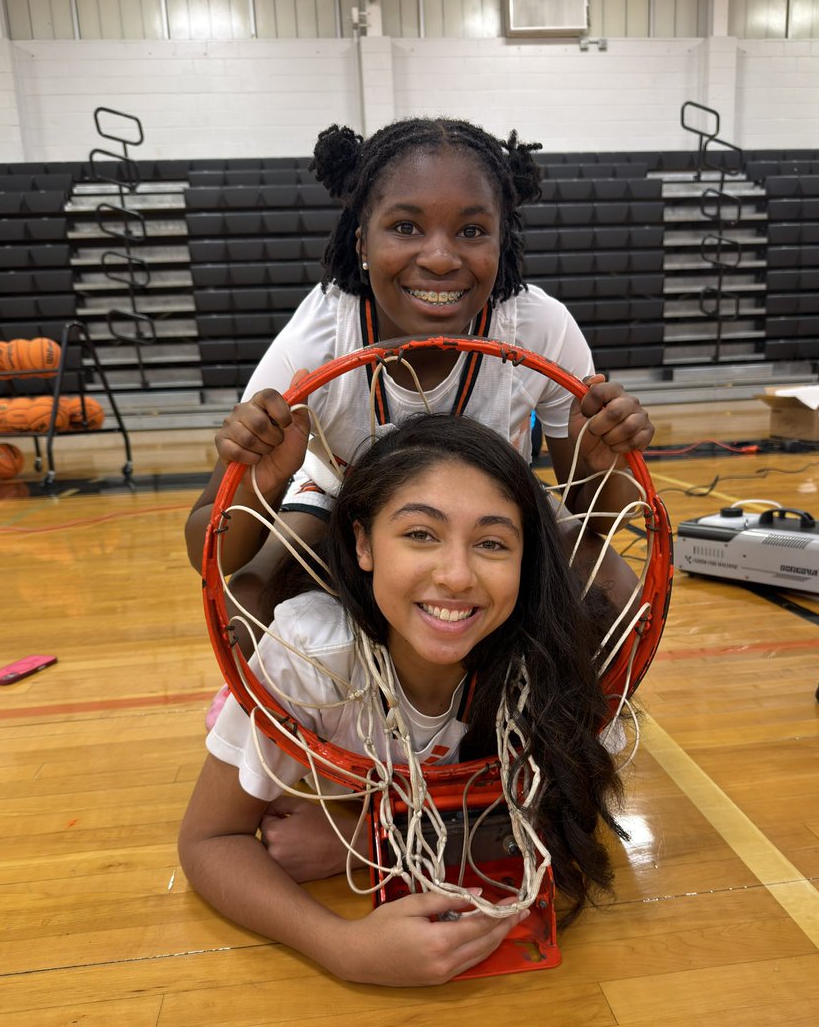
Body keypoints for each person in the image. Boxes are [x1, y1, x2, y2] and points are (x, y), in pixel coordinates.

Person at [179, 413, 626, 987]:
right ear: (363, 542)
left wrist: (369, 844)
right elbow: (209, 839)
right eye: (420, 534)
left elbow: (569, 822)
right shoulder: (310, 653)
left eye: (492, 543)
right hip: (312, 742)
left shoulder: (555, 659)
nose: (457, 576)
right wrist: (340, 945)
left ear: (526, 559)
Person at [185, 117, 655, 633]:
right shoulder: (317, 343)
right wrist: (266, 481)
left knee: (617, 601)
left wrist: (604, 463)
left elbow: (605, 521)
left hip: (494, 504)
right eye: (406, 227)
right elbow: (209, 548)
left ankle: (527, 709)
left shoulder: (537, 328)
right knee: (247, 607)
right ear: (362, 243)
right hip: (343, 500)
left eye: (472, 231)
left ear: (503, 241)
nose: (438, 257)